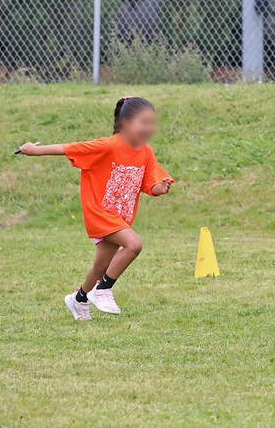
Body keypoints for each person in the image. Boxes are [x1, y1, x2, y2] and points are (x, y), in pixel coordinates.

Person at [17, 97, 173, 320]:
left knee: (100, 266)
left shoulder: (145, 152)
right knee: (134, 244)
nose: (149, 128)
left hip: (120, 218)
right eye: (144, 122)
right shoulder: (108, 145)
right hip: (100, 213)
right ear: (126, 123)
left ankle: (78, 299)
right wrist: (34, 150)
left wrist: (160, 188)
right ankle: (103, 289)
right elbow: (70, 148)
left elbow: (149, 185)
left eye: (152, 122)